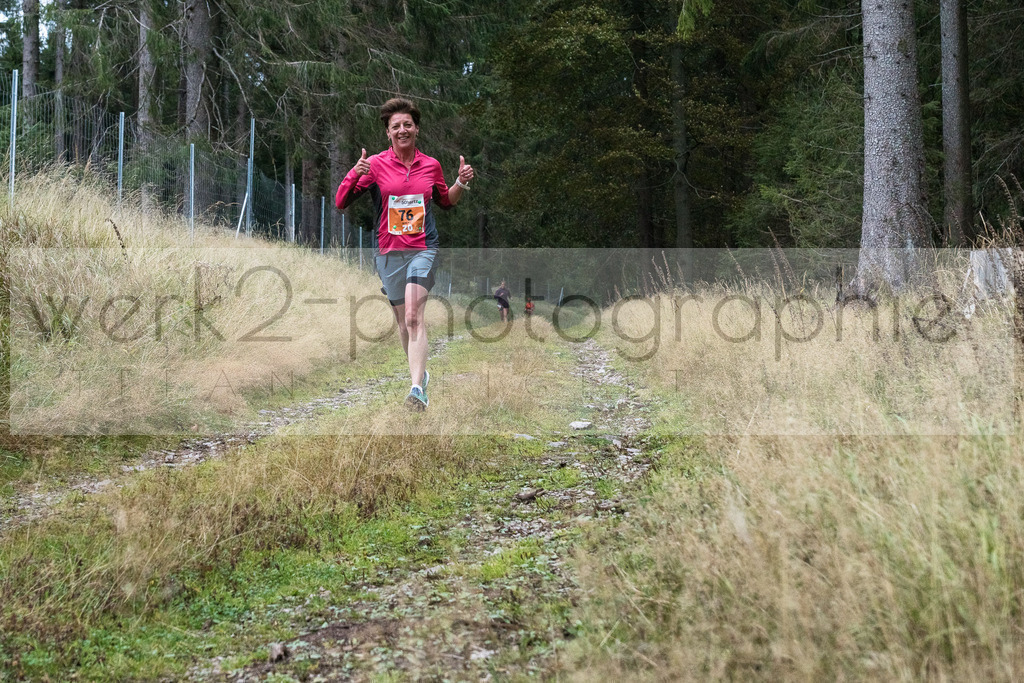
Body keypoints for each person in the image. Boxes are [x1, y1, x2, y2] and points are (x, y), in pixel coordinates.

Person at [335, 97, 473, 411]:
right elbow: (341, 202)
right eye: (395, 126)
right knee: (402, 324)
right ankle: (420, 375)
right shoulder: (375, 166)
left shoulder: (431, 165)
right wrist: (354, 173)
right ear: (388, 132)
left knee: (413, 316)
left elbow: (446, 201)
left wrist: (460, 183)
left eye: (407, 125)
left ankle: (416, 390)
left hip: (423, 249)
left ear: (416, 129)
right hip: (389, 252)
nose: (402, 130)